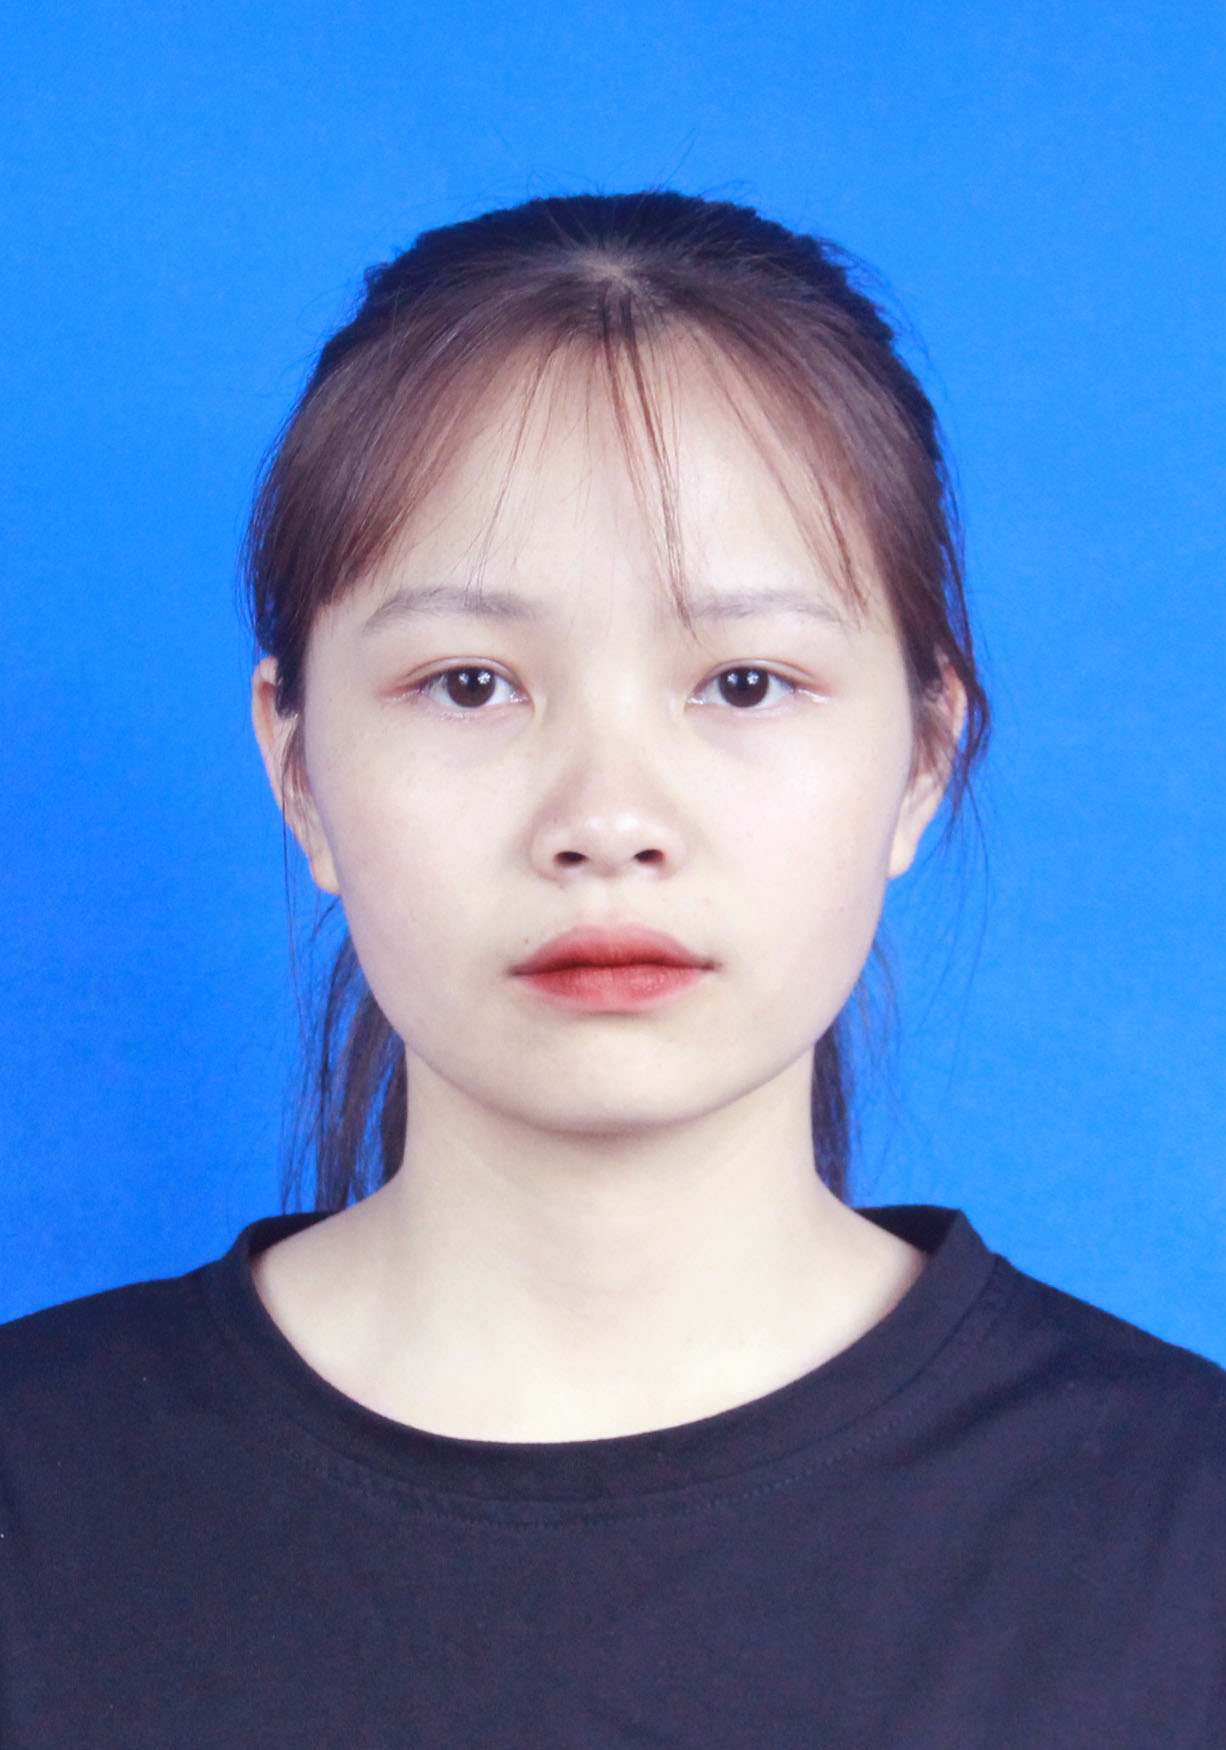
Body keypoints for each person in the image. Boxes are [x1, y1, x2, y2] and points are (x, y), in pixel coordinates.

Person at [0, 192, 1221, 1748]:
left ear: (922, 758)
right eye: (469, 683)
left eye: (742, 681)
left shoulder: (1181, 1537)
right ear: (296, 768)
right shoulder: (35, 1496)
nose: (607, 817)